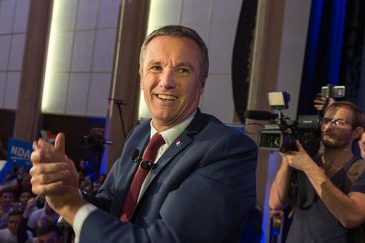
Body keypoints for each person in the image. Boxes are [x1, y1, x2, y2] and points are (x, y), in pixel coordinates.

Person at [30, 25, 258, 242]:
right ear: (141, 78)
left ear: (202, 84)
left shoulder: (229, 150)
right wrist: (68, 190)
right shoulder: (140, 134)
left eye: (182, 70)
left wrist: (72, 206)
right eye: (156, 67)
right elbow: (111, 208)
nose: (166, 82)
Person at [269, 101, 365, 242]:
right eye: (325, 121)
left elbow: (352, 217)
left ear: (356, 132)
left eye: (339, 122)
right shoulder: (306, 161)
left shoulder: (360, 169)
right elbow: (275, 203)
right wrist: (287, 157)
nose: (328, 127)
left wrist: (308, 167)